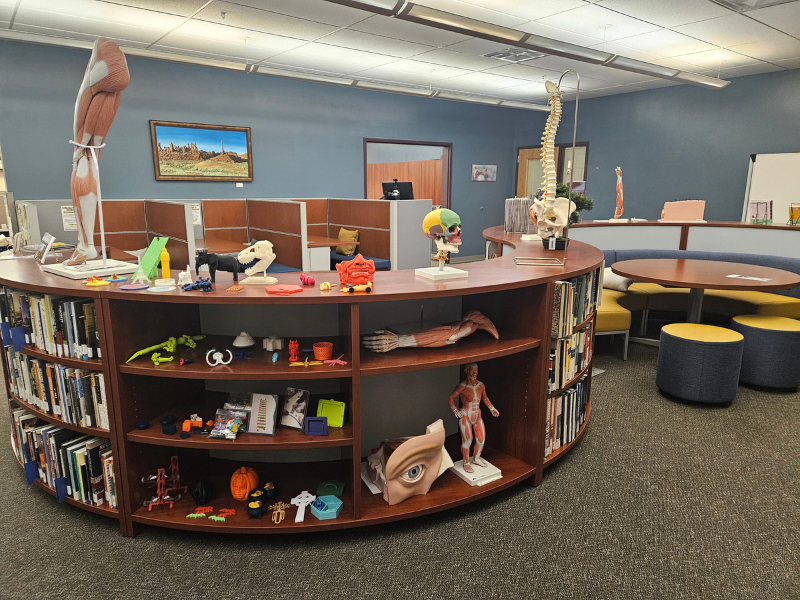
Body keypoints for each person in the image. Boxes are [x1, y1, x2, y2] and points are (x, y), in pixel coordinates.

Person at [447, 363, 499, 473]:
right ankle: (466, 463)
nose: (475, 373)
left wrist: (491, 408)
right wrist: (455, 410)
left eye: (476, 371)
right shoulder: (462, 386)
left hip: (477, 416)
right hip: (466, 415)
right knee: (467, 441)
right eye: (472, 371)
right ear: (466, 371)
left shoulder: (481, 385)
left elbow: (485, 398)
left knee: (481, 441)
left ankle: (476, 459)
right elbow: (451, 398)